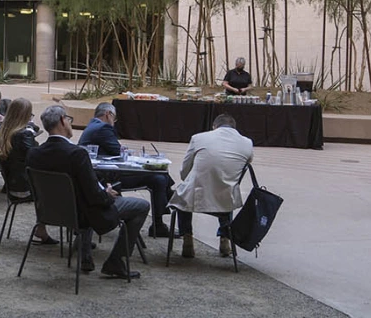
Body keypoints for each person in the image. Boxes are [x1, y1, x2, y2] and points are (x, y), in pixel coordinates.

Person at [27, 105, 149, 278]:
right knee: (142, 206)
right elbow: (93, 196)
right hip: (82, 213)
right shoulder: (77, 154)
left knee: (84, 201)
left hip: (49, 212)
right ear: (63, 120)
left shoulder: (34, 153)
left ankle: (86, 255)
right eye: (69, 120)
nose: (70, 124)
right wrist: (107, 195)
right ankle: (116, 261)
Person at [79, 102, 175, 238]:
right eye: (115, 118)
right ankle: (159, 222)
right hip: (108, 179)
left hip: (101, 175)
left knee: (160, 178)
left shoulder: (92, 126)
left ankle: (166, 198)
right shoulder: (103, 128)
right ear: (108, 114)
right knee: (159, 177)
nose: (114, 122)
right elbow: (119, 152)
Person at [168, 113, 254, 259]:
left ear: (214, 127)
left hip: (195, 196)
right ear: (234, 127)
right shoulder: (247, 142)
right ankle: (224, 238)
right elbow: (247, 163)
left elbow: (184, 171)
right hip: (227, 197)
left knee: (182, 194)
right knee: (224, 191)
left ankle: (187, 237)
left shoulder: (198, 138)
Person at [0, 98, 57, 245]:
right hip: (25, 187)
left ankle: (42, 228)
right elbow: (36, 157)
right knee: (67, 188)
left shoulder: (5, 132)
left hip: (13, 186)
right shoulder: (23, 135)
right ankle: (78, 231)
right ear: (25, 115)